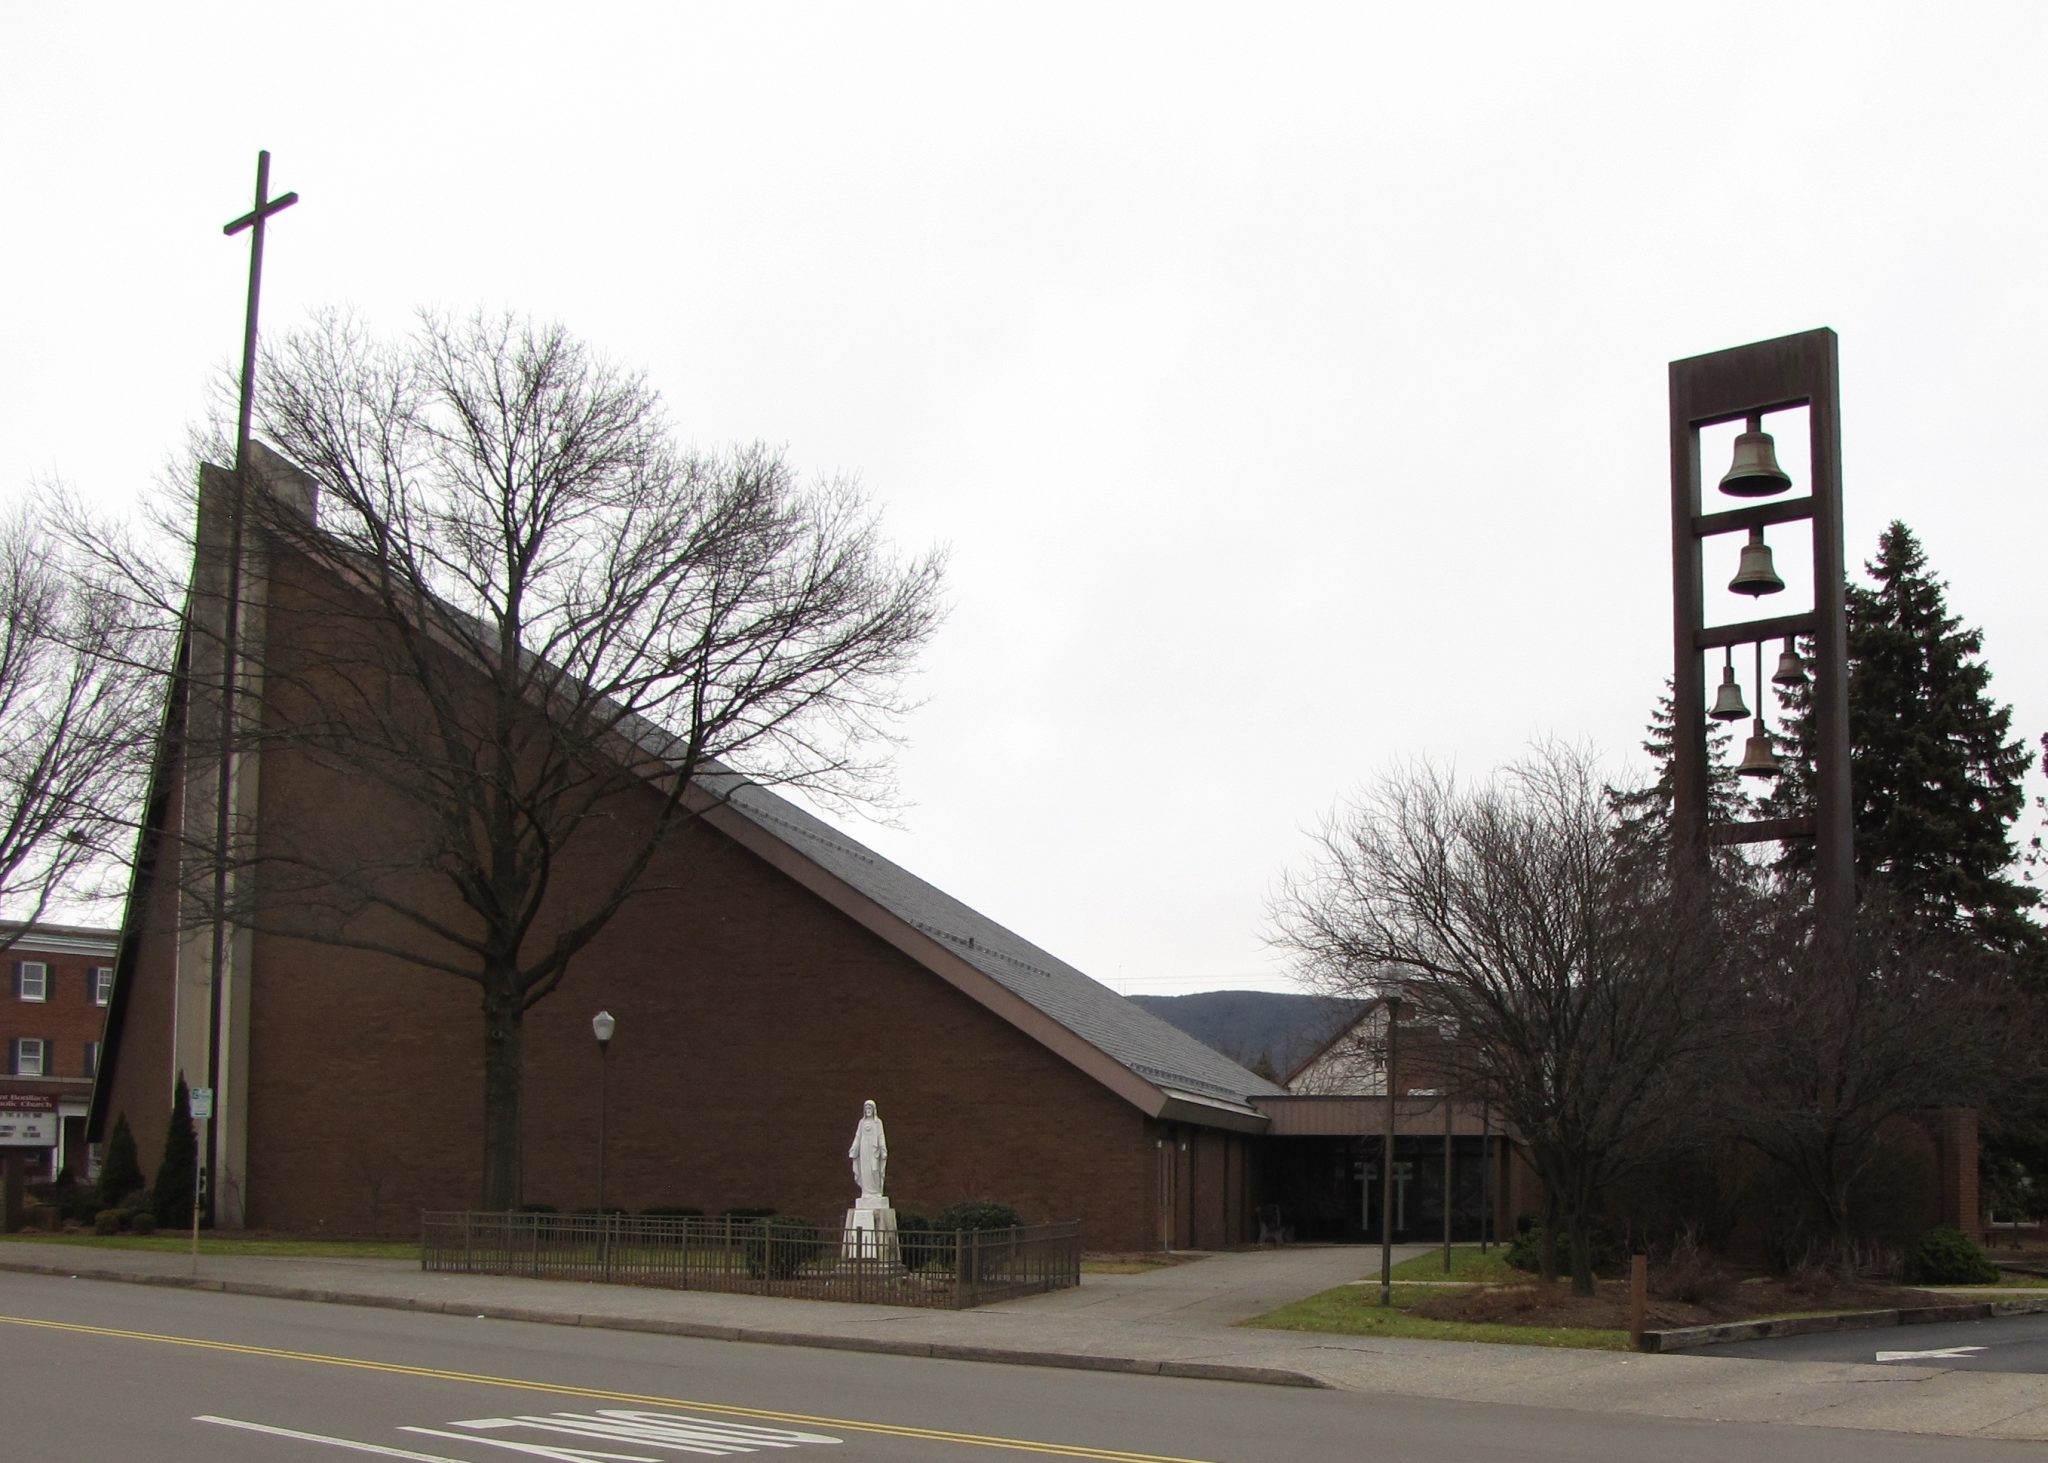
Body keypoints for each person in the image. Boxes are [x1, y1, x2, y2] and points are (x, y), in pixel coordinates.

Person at [848, 1099, 887, 1199]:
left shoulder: (878, 1122)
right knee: (865, 1171)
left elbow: (881, 1136)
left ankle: (876, 1191)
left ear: (874, 1110)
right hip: (864, 1149)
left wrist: (883, 1149)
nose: (868, 1110)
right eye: (866, 1108)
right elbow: (858, 1136)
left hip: (874, 1150)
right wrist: (853, 1148)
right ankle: (866, 1193)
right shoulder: (861, 1122)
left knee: (874, 1169)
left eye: (870, 1108)